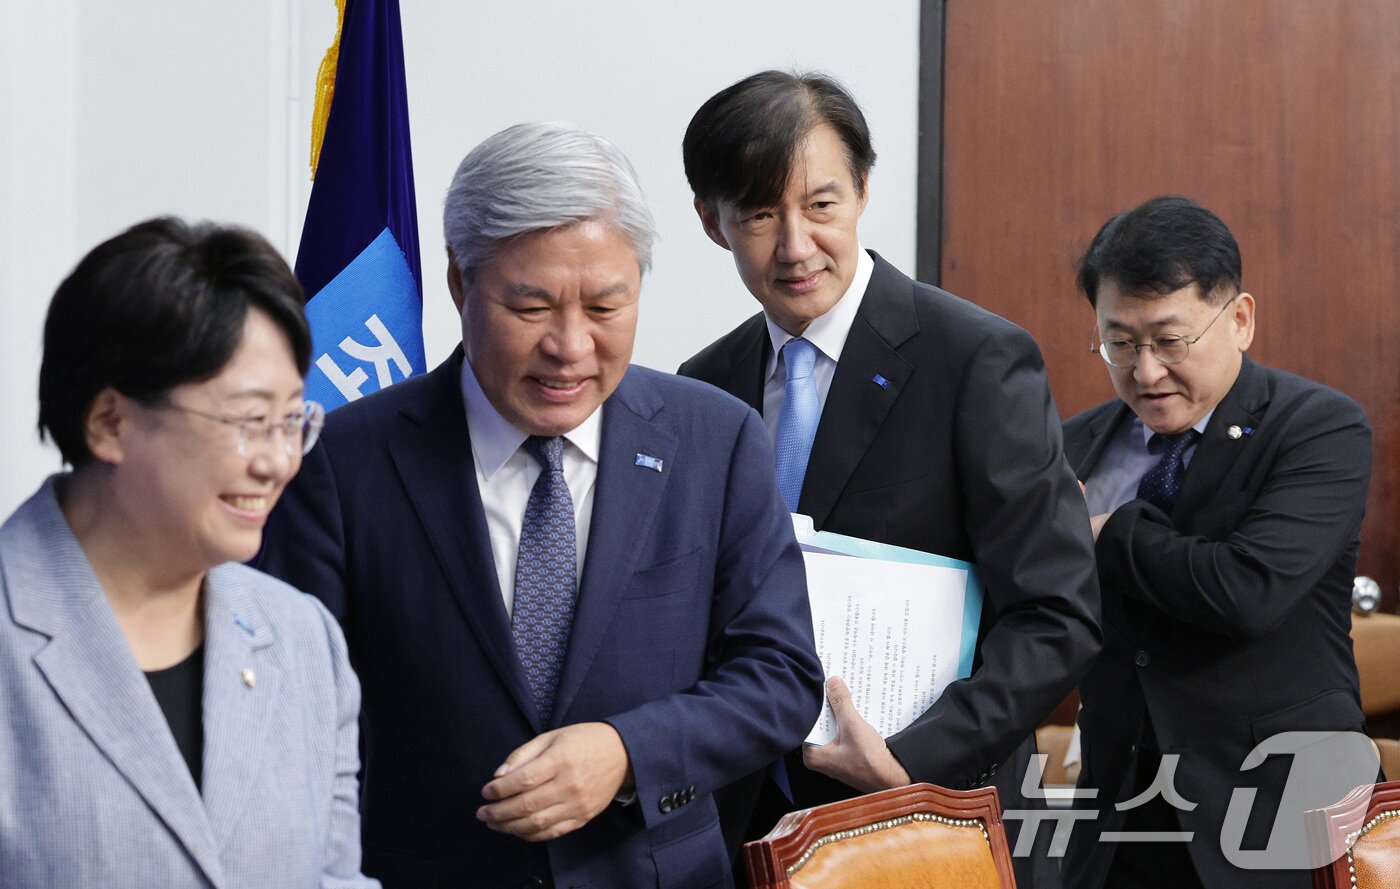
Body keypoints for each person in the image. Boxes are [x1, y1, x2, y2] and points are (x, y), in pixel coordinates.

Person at [259, 122, 824, 888]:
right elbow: (289, 715)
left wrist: (628, 751)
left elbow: (781, 675)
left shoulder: (715, 441)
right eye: (531, 308)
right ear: (460, 282)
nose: (570, 346)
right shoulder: (342, 462)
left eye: (605, 307)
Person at [678, 70, 1102, 888]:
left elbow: (1057, 613)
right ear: (711, 221)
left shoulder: (974, 358)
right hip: (746, 827)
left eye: (821, 204)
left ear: (864, 190)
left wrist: (911, 757)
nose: (795, 245)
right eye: (760, 214)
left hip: (930, 821)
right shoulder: (704, 386)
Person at [0, 218, 376, 888]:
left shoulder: (303, 640)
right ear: (110, 422)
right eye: (249, 421)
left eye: (292, 420)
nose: (279, 462)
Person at [1062, 196, 1374, 889]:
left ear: (1239, 320)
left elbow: (1246, 591)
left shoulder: (1318, 428)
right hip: (1122, 819)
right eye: (1120, 343)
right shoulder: (1074, 444)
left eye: (1170, 341)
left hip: (1280, 817)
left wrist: (1106, 531)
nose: (1145, 372)